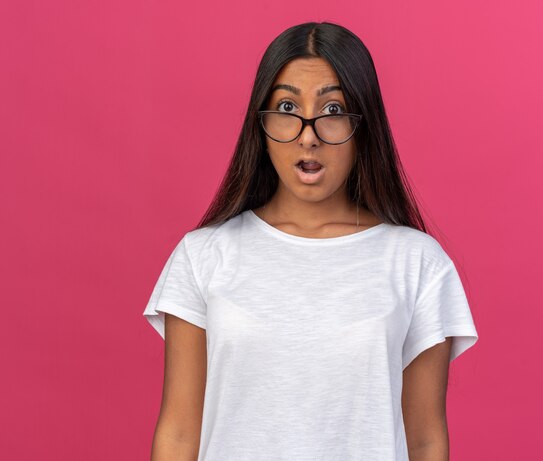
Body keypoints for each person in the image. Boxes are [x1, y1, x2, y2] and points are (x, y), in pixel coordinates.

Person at [143, 21, 478, 461]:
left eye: (333, 111)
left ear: (364, 126)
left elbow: (425, 440)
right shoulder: (204, 256)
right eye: (286, 106)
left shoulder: (418, 264)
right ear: (260, 126)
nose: (308, 135)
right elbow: (180, 434)